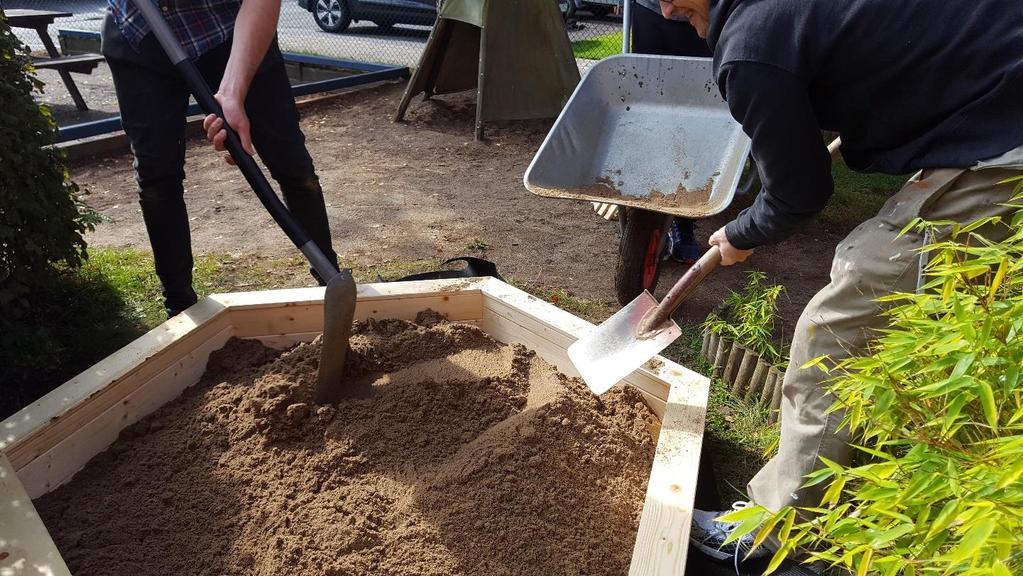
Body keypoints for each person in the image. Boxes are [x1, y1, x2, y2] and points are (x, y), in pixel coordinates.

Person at [653, 0, 1023, 565]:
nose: (666, 8)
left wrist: (744, 233)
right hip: (998, 105)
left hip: (1003, 143)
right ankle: (905, 449)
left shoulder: (749, 47)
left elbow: (799, 193)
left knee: (841, 324)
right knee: (949, 304)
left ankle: (776, 531)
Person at [101, 0, 338, 317]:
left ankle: (331, 283)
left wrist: (231, 92)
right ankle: (180, 308)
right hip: (139, 33)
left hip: (228, 27)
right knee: (157, 178)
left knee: (293, 166)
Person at [633, 0, 712, 264]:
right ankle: (645, 216)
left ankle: (684, 220)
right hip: (651, 11)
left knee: (699, 116)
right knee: (649, 109)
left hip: (704, 11)